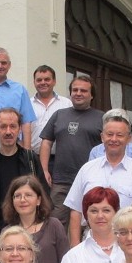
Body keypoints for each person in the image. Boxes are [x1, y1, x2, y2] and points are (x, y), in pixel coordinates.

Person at [63, 109, 132, 246]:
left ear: (128, 139)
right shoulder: (87, 169)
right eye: (109, 134)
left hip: (130, 244)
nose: (114, 139)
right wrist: (75, 246)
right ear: (102, 137)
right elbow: (75, 211)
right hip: (92, 244)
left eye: (119, 135)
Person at [0, 108, 46, 253]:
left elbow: (43, 196)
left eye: (13, 126)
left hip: (29, 231)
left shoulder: (31, 159)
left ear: (19, 129)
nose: (8, 131)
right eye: (3, 126)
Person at [39, 75, 104, 230]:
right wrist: (44, 169)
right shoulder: (59, 115)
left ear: (92, 95)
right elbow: (46, 142)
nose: (78, 93)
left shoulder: (102, 118)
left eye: (83, 90)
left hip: (90, 181)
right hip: (61, 181)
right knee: (55, 223)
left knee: (89, 224)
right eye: (75, 90)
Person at [29, 65, 72, 154]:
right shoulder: (27, 104)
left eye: (47, 79)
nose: (43, 82)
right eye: (39, 80)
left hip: (60, 157)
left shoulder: (66, 104)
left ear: (54, 81)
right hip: (33, 157)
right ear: (34, 82)